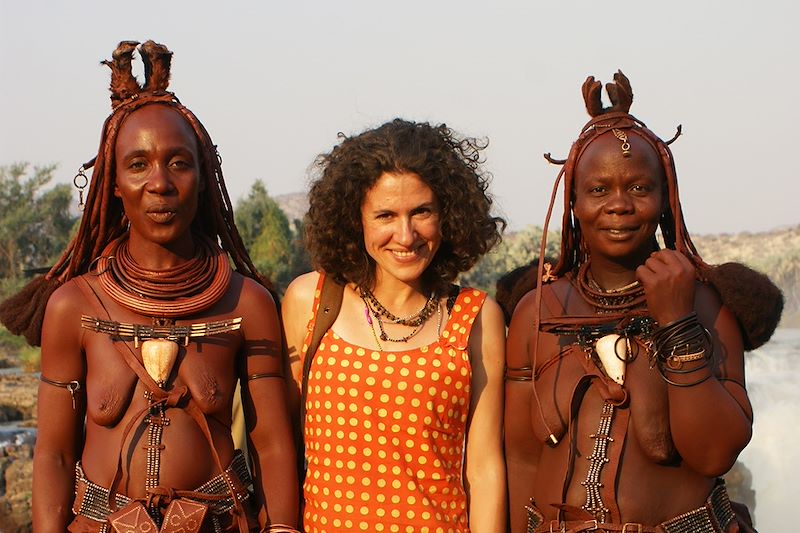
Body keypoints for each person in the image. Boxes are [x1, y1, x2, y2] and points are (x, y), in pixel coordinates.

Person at [0, 41, 299, 532]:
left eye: (179, 162)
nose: (160, 182)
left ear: (204, 178)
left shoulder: (247, 302)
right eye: (138, 165)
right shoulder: (74, 306)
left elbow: (270, 442)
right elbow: (53, 454)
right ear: (113, 184)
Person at [503, 72, 782, 533]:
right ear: (573, 200)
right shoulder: (538, 311)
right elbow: (518, 456)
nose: (619, 205)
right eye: (598, 190)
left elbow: (714, 453)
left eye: (639, 188)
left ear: (665, 198)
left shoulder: (707, 306)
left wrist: (678, 323)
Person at [281, 119, 507, 532]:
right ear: (355, 220)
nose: (406, 235)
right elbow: (282, 445)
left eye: (422, 211)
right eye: (385, 214)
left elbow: (484, 468)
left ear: (449, 214)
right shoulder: (310, 302)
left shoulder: (475, 318)